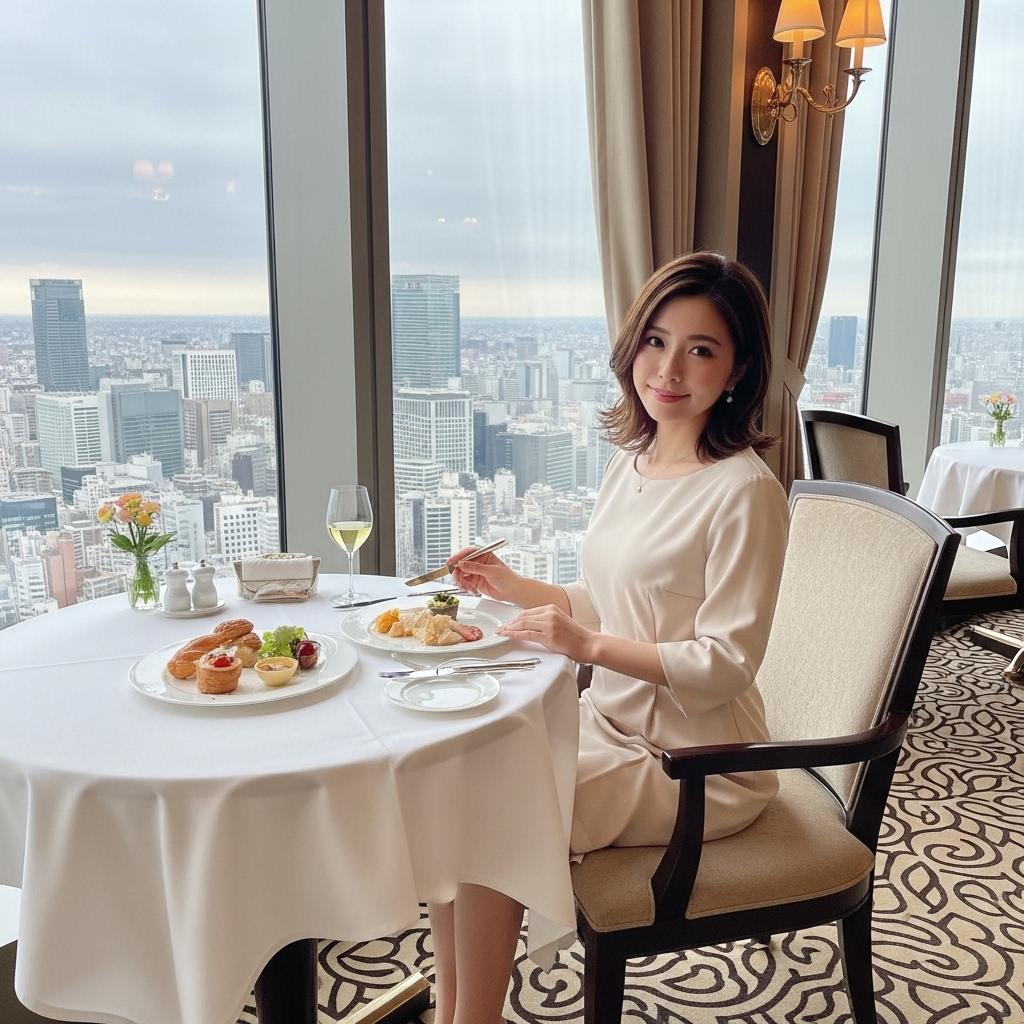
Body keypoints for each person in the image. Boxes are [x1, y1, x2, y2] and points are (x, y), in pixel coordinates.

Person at [427, 251, 789, 1024]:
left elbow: (726, 664)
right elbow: (611, 603)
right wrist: (514, 586)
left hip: (695, 761)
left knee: (493, 810)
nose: (669, 369)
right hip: (609, 723)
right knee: (458, 779)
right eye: (656, 341)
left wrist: (584, 647)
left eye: (700, 350)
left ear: (737, 370)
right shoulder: (633, 461)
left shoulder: (746, 493)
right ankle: (453, 1007)